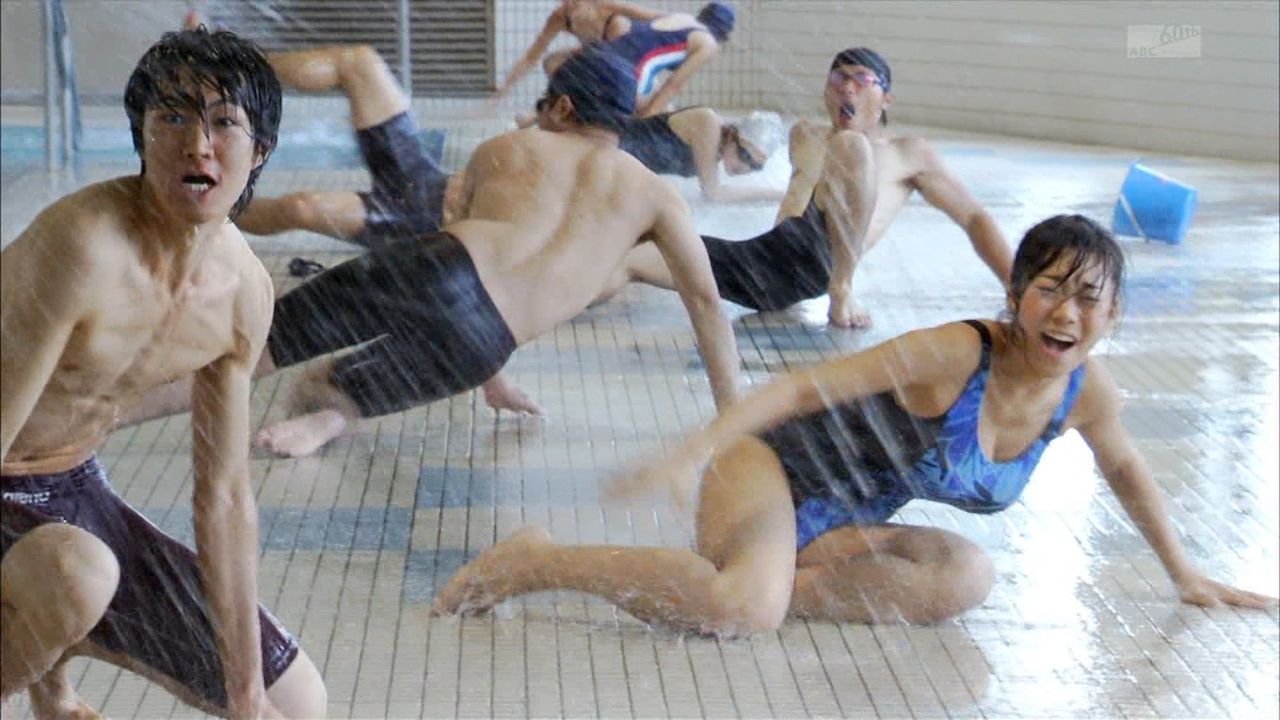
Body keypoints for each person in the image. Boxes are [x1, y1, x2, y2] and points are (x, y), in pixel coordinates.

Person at [431, 214, 1279, 633]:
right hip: (769, 467)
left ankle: (774, 583)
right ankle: (535, 561)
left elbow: (1125, 468)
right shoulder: (955, 353)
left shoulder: (1084, 393)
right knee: (737, 610)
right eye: (1049, 289)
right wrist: (695, 448)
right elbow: (804, 386)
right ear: (1015, 295)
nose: (1066, 312)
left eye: (1088, 298)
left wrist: (1184, 573)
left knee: (965, 576)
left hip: (850, 518)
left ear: (1114, 314)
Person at [121, 48, 743, 460]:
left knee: (256, 352)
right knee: (339, 387)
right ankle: (331, 413)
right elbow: (707, 304)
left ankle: (99, 419)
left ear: (561, 107)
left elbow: (465, 265)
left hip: (436, 267)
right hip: (485, 344)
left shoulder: (511, 148)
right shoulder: (659, 196)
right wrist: (732, 418)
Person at [1, 27, 326, 719]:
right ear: (141, 137)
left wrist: (244, 694)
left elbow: (226, 497)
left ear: (260, 150)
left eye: (224, 123)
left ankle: (52, 664)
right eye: (172, 117)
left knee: (294, 702)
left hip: (70, 488)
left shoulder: (242, 294)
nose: (197, 145)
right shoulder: (83, 246)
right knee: (79, 576)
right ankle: (47, 669)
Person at [604, 47, 1013, 328]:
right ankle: (563, 294)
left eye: (861, 80)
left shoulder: (908, 153)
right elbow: (793, 196)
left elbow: (974, 217)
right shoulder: (806, 135)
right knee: (626, 254)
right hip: (768, 263)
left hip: (825, 263)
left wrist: (1017, 289)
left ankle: (843, 288)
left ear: (886, 99)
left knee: (851, 145)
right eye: (838, 79)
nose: (847, 88)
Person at [491, 0, 667, 102]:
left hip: (629, 61)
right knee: (553, 62)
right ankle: (576, 104)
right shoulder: (560, 17)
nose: (570, 4)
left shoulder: (607, 7)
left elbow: (654, 16)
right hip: (599, 58)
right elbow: (531, 57)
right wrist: (505, 88)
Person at [619, 108, 785, 202]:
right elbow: (714, 194)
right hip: (611, 143)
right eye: (745, 156)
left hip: (620, 165)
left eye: (755, 166)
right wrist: (775, 195)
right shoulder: (708, 123)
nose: (745, 167)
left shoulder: (718, 149)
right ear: (733, 135)